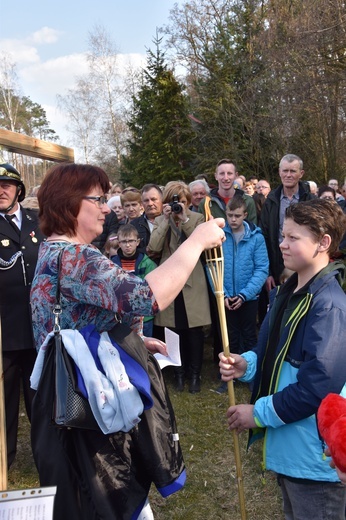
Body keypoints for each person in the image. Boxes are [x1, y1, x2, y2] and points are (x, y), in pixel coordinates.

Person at [30, 163, 225, 520]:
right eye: (99, 199)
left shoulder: (50, 252)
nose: (107, 207)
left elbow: (76, 321)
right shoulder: (76, 257)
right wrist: (197, 241)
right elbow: (149, 297)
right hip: (92, 413)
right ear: (70, 203)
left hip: (66, 406)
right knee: (108, 501)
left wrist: (127, 341)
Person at [219, 199, 346, 520]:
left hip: (316, 458)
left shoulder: (328, 305)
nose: (282, 244)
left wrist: (258, 413)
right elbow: (278, 352)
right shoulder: (291, 290)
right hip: (293, 446)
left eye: (293, 238)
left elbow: (318, 387)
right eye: (283, 235)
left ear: (323, 243)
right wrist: (248, 364)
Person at [0, 162, 45, 468]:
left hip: (37, 328)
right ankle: (4, 459)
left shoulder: (36, 221)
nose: (0, 190)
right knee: (4, 402)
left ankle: (47, 455)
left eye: (6, 184)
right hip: (3, 330)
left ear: (18, 190)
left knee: (39, 398)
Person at [148, 181, 211, 394]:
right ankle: (179, 373)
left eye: (182, 202)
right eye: (174, 202)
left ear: (189, 202)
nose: (178, 206)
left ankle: (195, 374)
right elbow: (153, 248)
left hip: (193, 278)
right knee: (172, 329)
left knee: (194, 329)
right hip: (169, 277)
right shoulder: (160, 221)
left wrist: (184, 218)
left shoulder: (197, 219)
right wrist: (166, 221)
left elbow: (201, 243)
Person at [260, 154, 314, 292]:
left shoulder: (311, 201)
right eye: (285, 171)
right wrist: (268, 273)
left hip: (304, 267)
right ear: (279, 172)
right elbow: (264, 237)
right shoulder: (270, 202)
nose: (288, 175)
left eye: (293, 171)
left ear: (301, 174)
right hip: (276, 266)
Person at [222, 197, 268, 356]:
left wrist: (245, 294)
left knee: (249, 334)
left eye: (238, 216)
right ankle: (231, 374)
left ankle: (251, 373)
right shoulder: (220, 237)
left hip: (249, 297)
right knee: (230, 336)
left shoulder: (256, 238)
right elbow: (213, 266)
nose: (233, 219)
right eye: (230, 215)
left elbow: (262, 268)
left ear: (245, 215)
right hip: (227, 296)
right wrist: (223, 293)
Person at [110, 223, 157, 337]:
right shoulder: (111, 264)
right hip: (120, 317)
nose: (128, 245)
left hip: (144, 317)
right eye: (124, 242)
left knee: (145, 349)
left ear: (137, 242)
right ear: (119, 243)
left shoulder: (147, 263)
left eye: (131, 241)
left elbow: (152, 289)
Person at [198, 158, 257, 224]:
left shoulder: (248, 201)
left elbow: (253, 231)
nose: (226, 178)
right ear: (216, 176)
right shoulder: (206, 203)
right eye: (222, 173)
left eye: (229, 173)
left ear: (236, 176)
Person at [131, 184, 163, 263]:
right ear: (142, 204)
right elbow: (129, 250)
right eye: (146, 200)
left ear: (162, 200)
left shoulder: (171, 222)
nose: (150, 203)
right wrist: (146, 251)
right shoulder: (133, 225)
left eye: (153, 199)